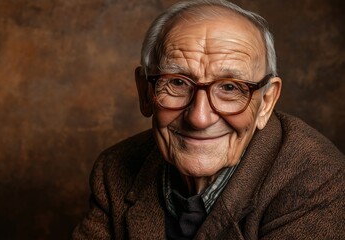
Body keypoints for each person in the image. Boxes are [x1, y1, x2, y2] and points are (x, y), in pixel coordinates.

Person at [72, 0, 345, 239]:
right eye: (177, 82)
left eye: (229, 88)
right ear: (145, 93)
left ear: (266, 102)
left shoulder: (319, 181)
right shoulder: (113, 170)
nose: (199, 118)